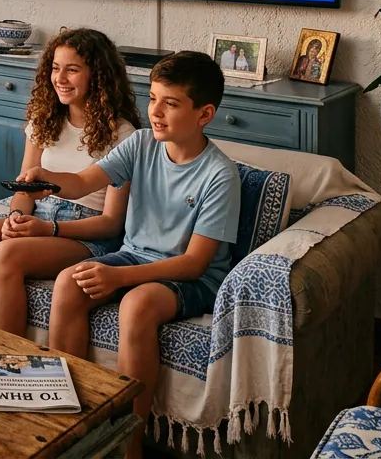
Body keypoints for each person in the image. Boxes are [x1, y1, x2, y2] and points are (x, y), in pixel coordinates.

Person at [42, 51, 240, 459]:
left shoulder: (220, 175)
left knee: (137, 305)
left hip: (192, 277)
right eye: (152, 99)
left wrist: (117, 278)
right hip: (135, 256)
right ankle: (67, 426)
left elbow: (195, 263)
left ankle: (129, 449)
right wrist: (47, 181)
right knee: (69, 282)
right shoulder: (141, 143)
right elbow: (82, 182)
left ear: (205, 114)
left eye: (171, 103)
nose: (156, 112)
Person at [0, 29, 140, 335]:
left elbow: (111, 223)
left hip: (86, 235)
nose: (60, 79)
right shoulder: (44, 121)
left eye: (72, 70)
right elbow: (24, 190)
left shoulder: (123, 135)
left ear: (98, 76)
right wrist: (16, 217)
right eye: (55, 68)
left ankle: (6, 356)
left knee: (6, 255)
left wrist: (49, 229)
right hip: (40, 219)